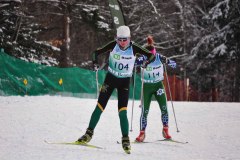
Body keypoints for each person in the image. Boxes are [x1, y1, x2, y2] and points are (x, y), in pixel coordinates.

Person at [76, 26, 155, 154]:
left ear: (129, 39)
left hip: (124, 83)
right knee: (99, 107)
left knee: (122, 113)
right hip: (110, 80)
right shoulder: (113, 45)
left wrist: (145, 63)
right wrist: (95, 62)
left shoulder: (134, 48)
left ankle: (125, 139)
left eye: (125, 40)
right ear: (116, 39)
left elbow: (151, 56)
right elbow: (96, 52)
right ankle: (88, 134)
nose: (122, 42)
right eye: (120, 39)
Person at [135, 35, 176, 142]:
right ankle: (142, 133)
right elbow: (132, 64)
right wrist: (136, 62)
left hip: (158, 86)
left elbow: (174, 64)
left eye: (152, 55)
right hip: (147, 87)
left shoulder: (159, 57)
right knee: (145, 111)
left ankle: (165, 130)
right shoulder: (142, 58)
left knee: (164, 108)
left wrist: (169, 62)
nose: (151, 58)